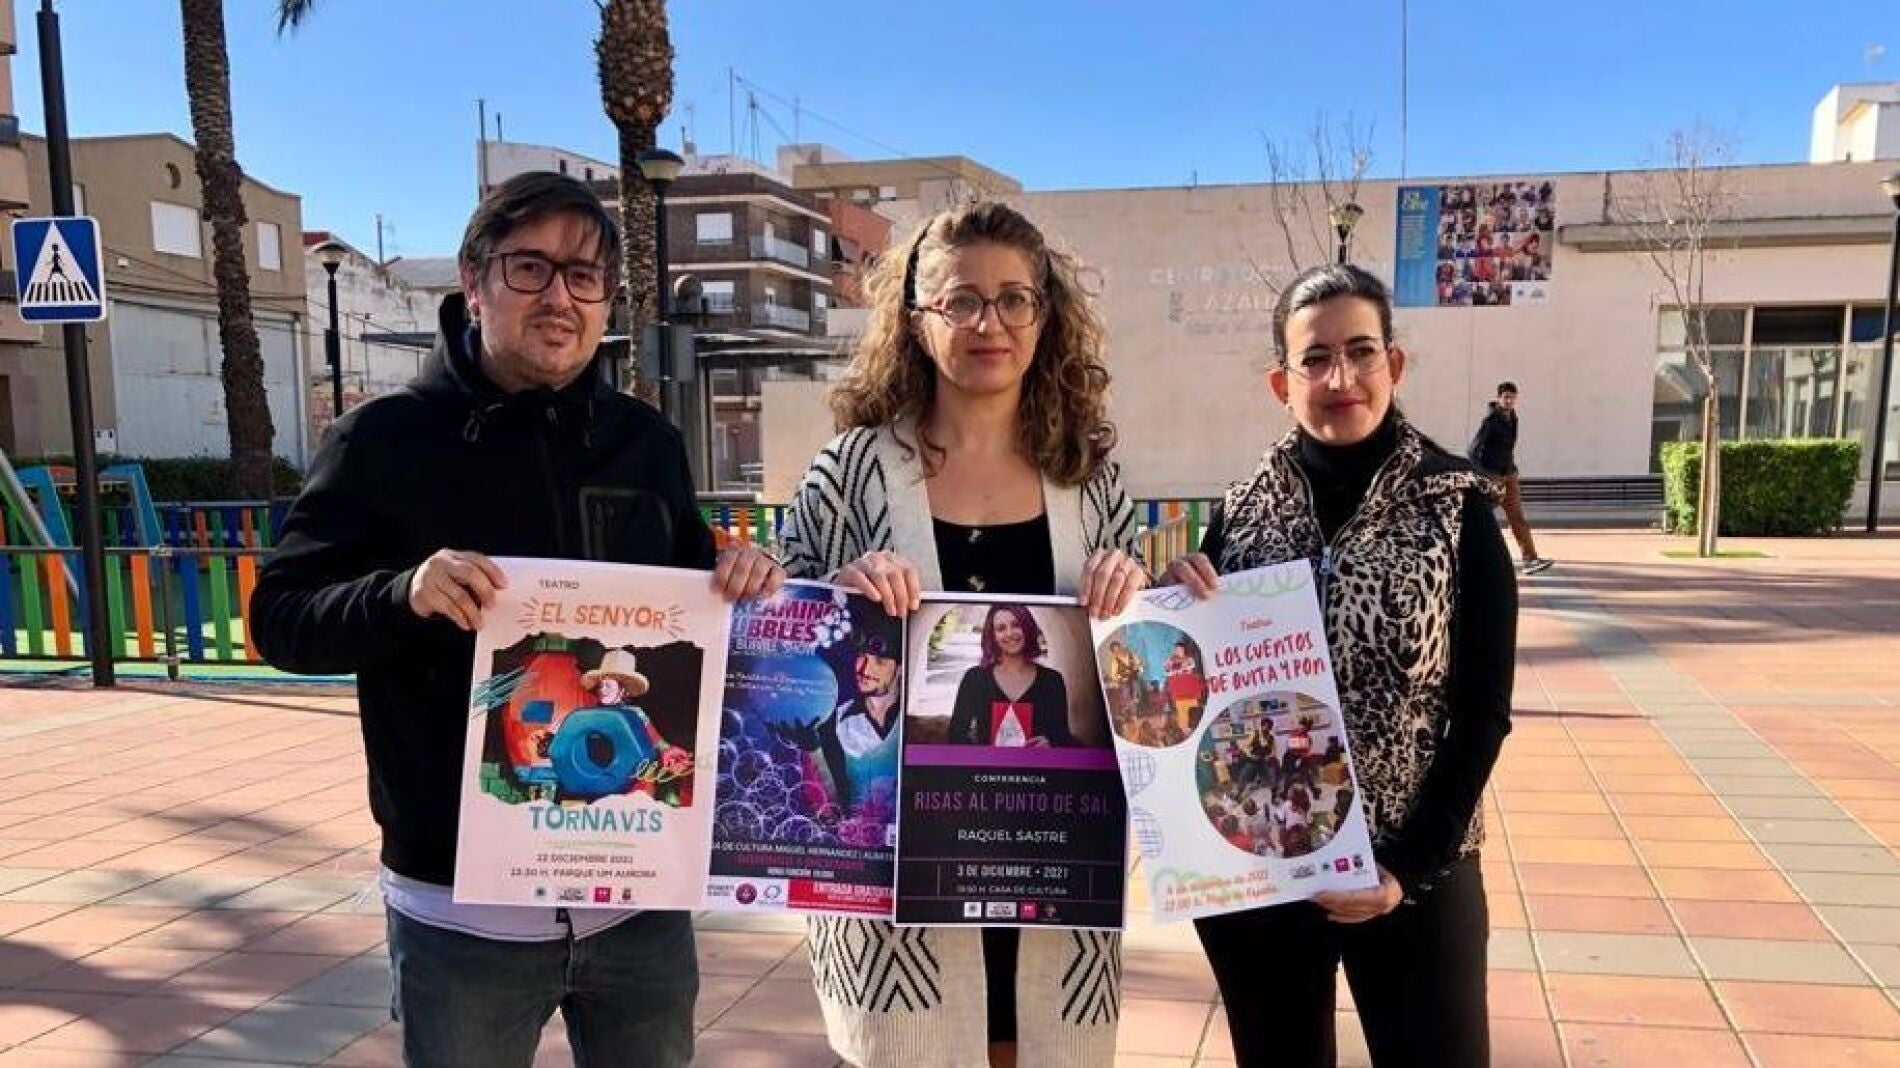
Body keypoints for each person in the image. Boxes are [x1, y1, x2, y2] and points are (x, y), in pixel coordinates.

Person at [248, 172, 785, 1068]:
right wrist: (401, 594)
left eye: (584, 276)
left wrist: (740, 577)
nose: (559, 298)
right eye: (530, 268)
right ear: (474, 280)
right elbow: (281, 618)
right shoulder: (382, 441)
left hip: (636, 898)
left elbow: (694, 604)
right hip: (462, 909)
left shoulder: (645, 442)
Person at [777, 201, 1144, 1067]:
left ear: (1045, 318)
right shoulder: (849, 474)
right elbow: (776, 659)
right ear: (916, 320)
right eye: (961, 300)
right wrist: (838, 601)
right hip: (897, 885)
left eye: (1014, 299)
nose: (990, 322)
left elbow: (1134, 672)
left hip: (1054, 866)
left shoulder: (1090, 482)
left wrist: (1143, 598)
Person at [1166, 264, 1518, 1067]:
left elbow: (1484, 713)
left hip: (1417, 869)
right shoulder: (1243, 511)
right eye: (1315, 358)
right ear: (1281, 383)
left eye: (1360, 352)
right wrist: (1177, 600)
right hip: (1266, 873)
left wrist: (1404, 867)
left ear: (1394, 364)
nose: (1340, 378)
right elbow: (1201, 684)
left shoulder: (1455, 507)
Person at [771, 634, 902, 815]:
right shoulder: (836, 720)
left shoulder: (911, 719)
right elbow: (834, 805)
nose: (864, 669)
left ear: (900, 668)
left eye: (879, 661)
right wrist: (813, 750)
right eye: (861, 656)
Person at [946, 604, 1073, 748]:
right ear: (993, 635)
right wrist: (981, 754)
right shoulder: (974, 678)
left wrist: (1050, 743)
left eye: (1016, 625)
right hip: (986, 762)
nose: (1009, 633)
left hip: (1037, 762)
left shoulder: (1052, 680)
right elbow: (956, 735)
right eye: (1001, 628)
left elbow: (1063, 736)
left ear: (1027, 628)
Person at [1468, 380, 1553, 573]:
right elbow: (1473, 451)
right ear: (1498, 398)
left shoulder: (1513, 418)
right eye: (1506, 397)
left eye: (1512, 398)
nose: (1509, 401)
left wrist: (1512, 468)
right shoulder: (1490, 421)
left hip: (1509, 475)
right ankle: (1472, 560)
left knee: (1518, 518)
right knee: (1483, 519)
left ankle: (1530, 559)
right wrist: (1485, 475)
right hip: (1493, 477)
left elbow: (1507, 448)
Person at [1162, 641, 1205, 734]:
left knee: (1193, 709)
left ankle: (1196, 727)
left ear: (1184, 650)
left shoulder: (1189, 659)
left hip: (1190, 689)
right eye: (1176, 649)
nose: (1177, 651)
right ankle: (1184, 729)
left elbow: (1191, 667)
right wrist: (1173, 669)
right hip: (1179, 690)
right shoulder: (1171, 660)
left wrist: (1180, 670)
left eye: (1179, 649)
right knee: (1181, 710)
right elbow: (1166, 671)